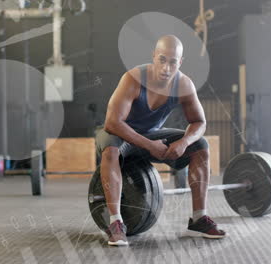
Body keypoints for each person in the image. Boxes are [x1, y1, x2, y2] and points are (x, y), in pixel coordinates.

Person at [95, 35, 226, 246]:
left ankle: (199, 219)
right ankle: (116, 223)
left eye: (173, 62)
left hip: (152, 135)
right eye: (162, 59)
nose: (166, 67)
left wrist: (183, 142)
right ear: (153, 57)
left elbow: (199, 122)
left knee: (200, 146)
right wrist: (149, 145)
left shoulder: (184, 84)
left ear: (180, 62)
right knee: (110, 149)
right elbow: (112, 122)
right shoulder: (133, 78)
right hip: (120, 135)